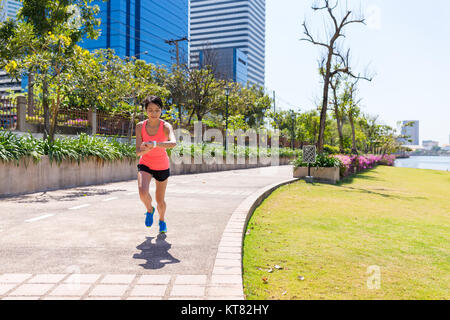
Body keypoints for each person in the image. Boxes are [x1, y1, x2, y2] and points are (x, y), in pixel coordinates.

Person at [135, 95, 177, 233]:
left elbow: (173, 143)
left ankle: (162, 220)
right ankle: (149, 209)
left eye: (157, 110)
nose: (154, 113)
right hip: (145, 163)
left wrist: (154, 144)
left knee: (160, 201)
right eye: (150, 110)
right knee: (142, 192)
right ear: (146, 111)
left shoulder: (165, 126)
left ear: (161, 111)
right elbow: (137, 152)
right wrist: (144, 150)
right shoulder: (140, 126)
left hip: (162, 166)